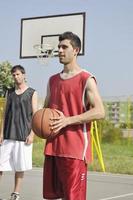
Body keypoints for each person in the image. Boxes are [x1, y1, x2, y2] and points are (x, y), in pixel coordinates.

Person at [43, 31, 105, 200]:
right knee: (54, 196)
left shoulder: (86, 79)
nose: (60, 51)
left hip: (74, 150)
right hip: (52, 148)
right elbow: (46, 111)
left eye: (65, 47)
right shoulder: (52, 80)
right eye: (59, 47)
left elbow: (100, 112)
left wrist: (67, 121)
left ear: (76, 50)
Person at [0, 65, 38, 200]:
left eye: (18, 74)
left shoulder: (32, 92)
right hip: (8, 134)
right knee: (0, 165)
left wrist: (32, 134)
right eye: (14, 75)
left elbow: (35, 116)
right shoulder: (8, 92)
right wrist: (1, 133)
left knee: (19, 167)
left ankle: (15, 193)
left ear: (24, 75)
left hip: (23, 135)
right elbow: (5, 114)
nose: (16, 77)